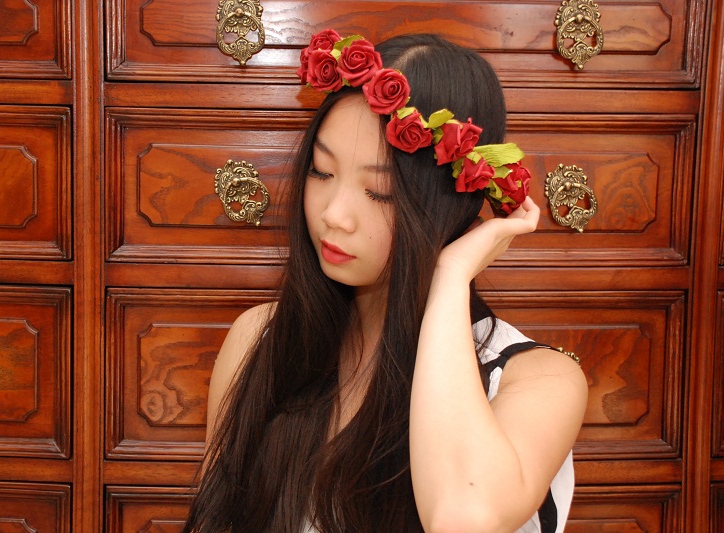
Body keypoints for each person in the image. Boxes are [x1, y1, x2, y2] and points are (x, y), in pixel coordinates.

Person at [182, 30, 588, 533]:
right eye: (322, 172)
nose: (334, 215)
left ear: (447, 206)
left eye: (379, 192)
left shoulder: (538, 381)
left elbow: (460, 518)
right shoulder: (261, 338)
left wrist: (450, 277)